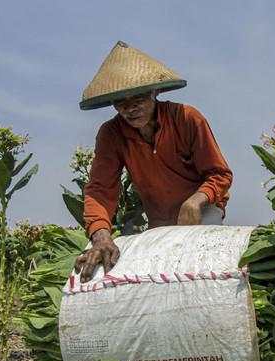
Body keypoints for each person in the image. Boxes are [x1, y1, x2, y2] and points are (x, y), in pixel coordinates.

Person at [73, 41, 233, 282]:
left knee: (202, 274)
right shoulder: (111, 134)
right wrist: (100, 235)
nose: (130, 108)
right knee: (158, 279)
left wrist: (196, 201)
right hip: (158, 218)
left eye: (138, 97)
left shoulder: (187, 118)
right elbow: (99, 190)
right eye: (121, 101)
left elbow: (220, 175)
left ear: (155, 92)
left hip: (201, 211)